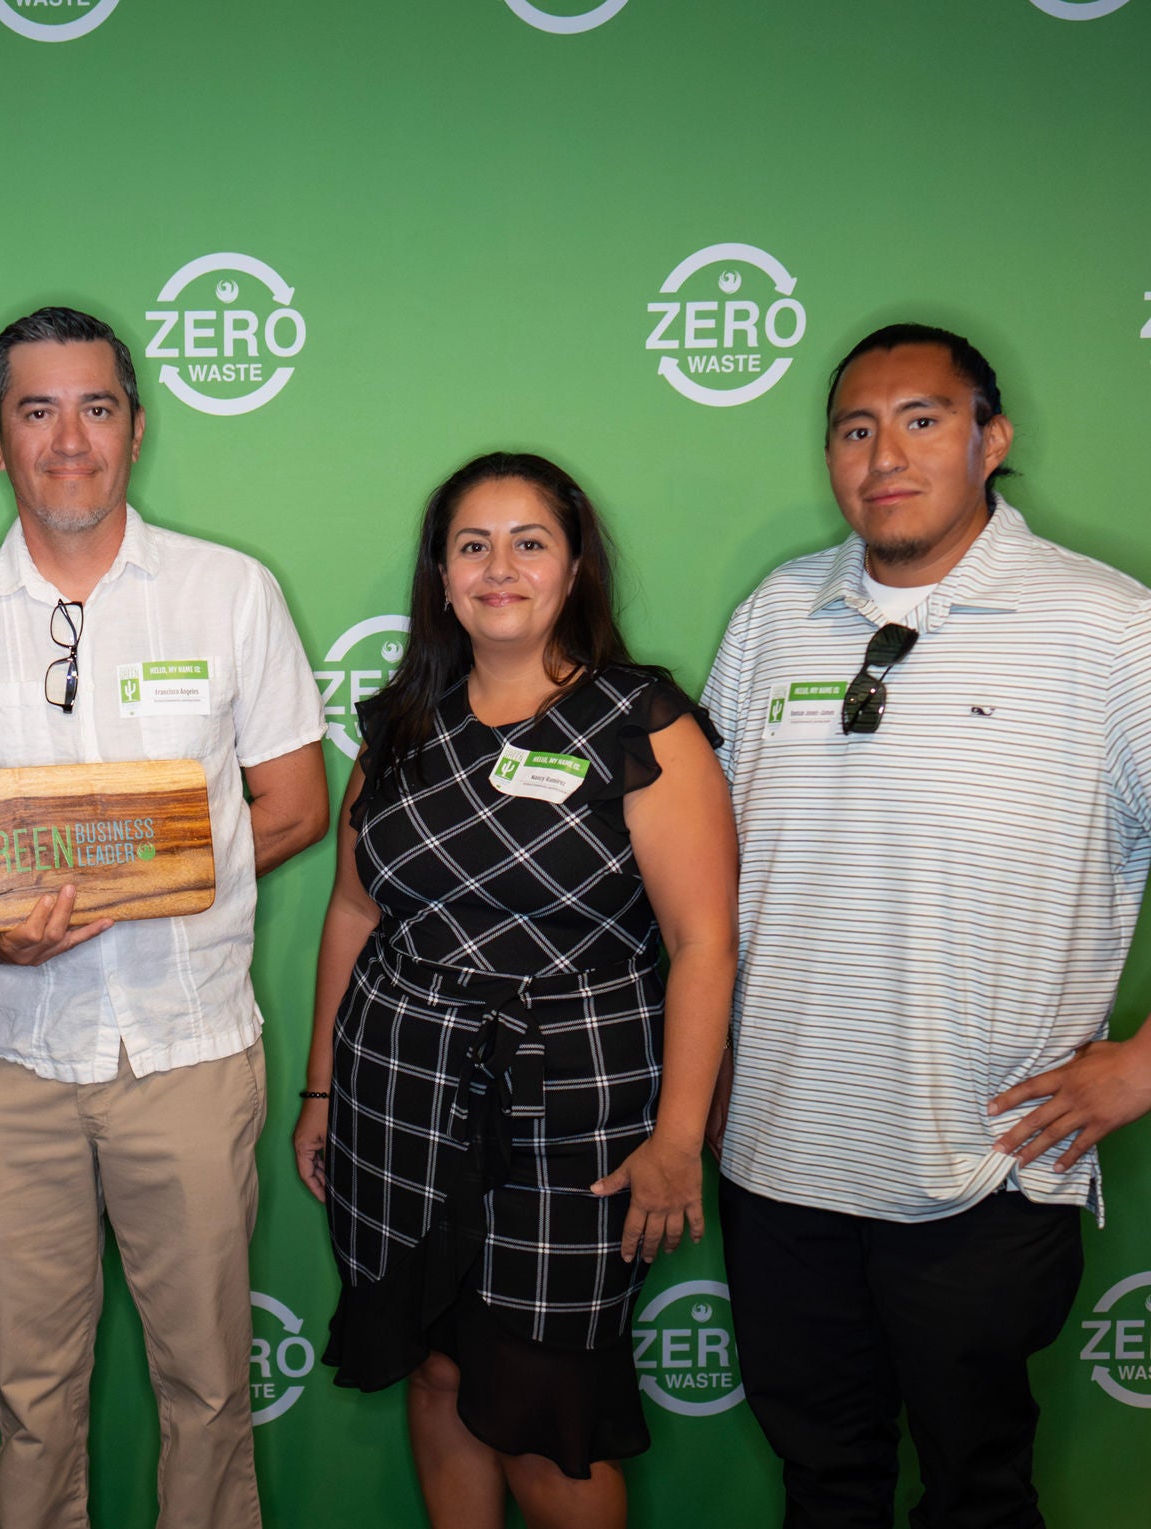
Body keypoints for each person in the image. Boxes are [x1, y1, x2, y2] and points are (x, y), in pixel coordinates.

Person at [702, 322, 1151, 1527]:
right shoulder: (772, 617)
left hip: (983, 1169)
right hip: (775, 1157)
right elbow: (696, 863)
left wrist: (1140, 1065)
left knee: (976, 1488)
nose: (882, 454)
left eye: (920, 418)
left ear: (989, 440)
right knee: (823, 1482)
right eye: (854, 427)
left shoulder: (1110, 630)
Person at [0, 306, 329, 1529]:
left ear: (135, 429)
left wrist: (156, 880)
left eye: (95, 407)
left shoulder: (227, 592)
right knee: (30, 1394)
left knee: (204, 1386)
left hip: (185, 1051)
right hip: (12, 1062)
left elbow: (290, 805)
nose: (67, 439)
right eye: (36, 410)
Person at [294, 452, 737, 1528]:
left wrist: (677, 1136)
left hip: (577, 1116)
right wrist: (318, 1094)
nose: (499, 567)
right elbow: (354, 913)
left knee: (543, 1414)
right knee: (437, 1371)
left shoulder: (639, 721)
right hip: (397, 1095)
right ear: (439, 575)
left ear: (572, 565)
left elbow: (702, 942)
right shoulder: (398, 725)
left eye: (527, 541)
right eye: (471, 545)